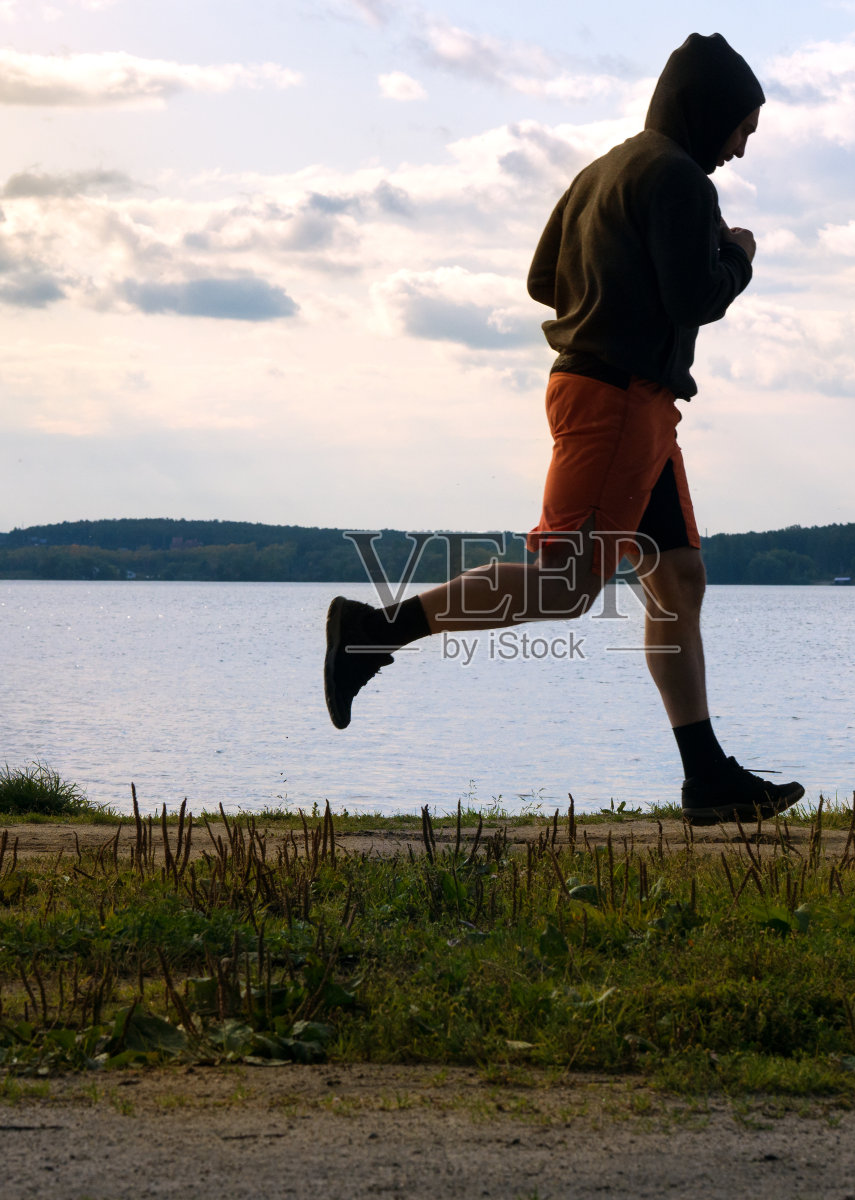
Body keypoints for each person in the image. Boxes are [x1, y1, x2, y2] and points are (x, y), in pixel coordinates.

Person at [324, 32, 804, 825]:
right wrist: (737, 257)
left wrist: (614, 293)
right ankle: (372, 632)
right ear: (710, 109)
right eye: (741, 128)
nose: (742, 149)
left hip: (629, 400)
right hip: (616, 401)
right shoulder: (680, 179)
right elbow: (697, 299)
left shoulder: (602, 171)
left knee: (678, 578)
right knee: (564, 584)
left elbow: (542, 279)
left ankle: (707, 778)